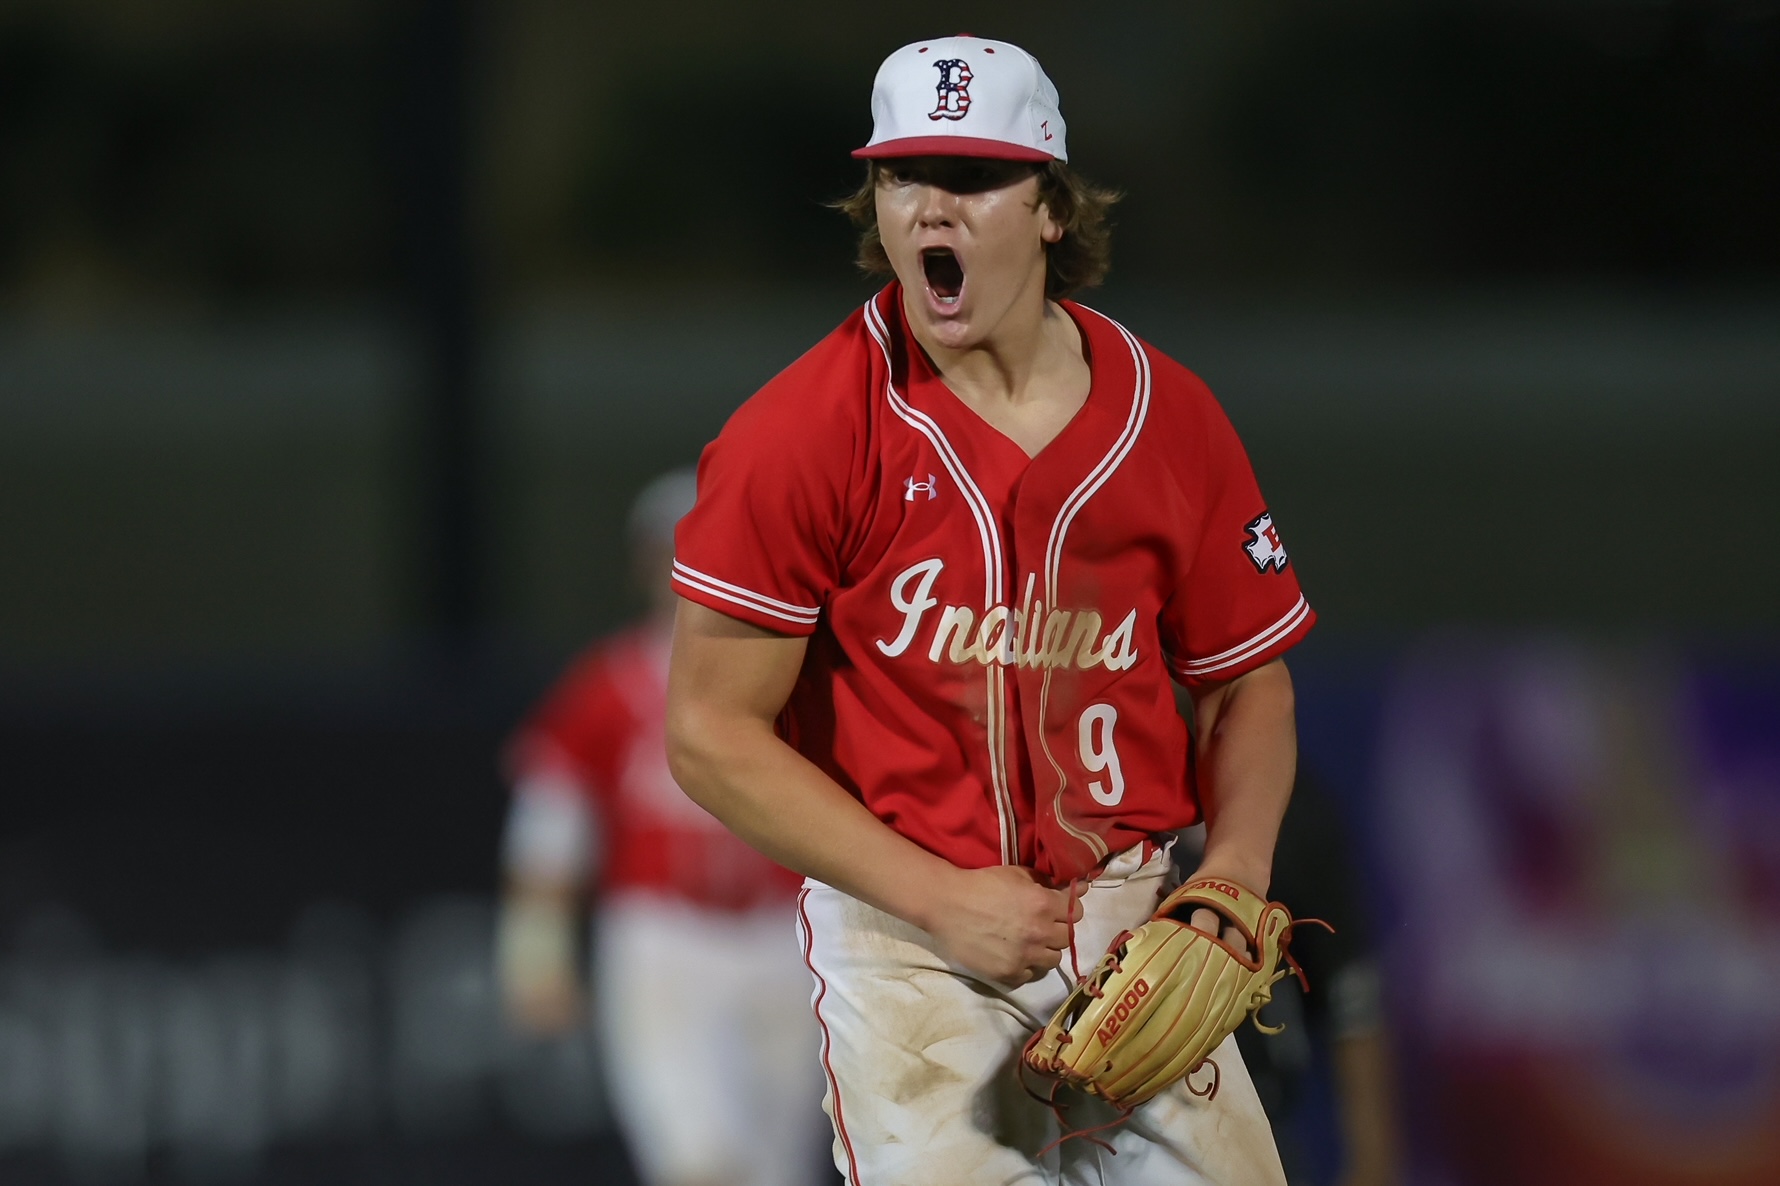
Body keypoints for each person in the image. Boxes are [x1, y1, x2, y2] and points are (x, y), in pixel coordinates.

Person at [665, 35, 1315, 1186]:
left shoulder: (1170, 418)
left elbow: (1245, 682)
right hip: (910, 940)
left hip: (1137, 925)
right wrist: (935, 898)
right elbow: (709, 731)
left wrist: (1233, 876)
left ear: (1051, 208)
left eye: (972, 176)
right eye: (903, 175)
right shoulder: (800, 434)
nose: (932, 205)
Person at [496, 469, 827, 1186]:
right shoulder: (610, 684)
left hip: (786, 935)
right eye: (674, 553)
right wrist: (535, 953)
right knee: (696, 1161)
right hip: (664, 938)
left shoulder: (800, 676)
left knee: (779, 1169)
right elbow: (549, 825)